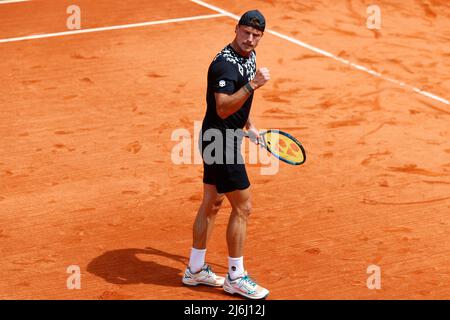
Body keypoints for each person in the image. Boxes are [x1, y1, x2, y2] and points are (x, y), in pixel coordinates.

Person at [182, 10, 270, 300]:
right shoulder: (224, 66)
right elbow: (222, 107)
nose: (250, 39)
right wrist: (253, 84)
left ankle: (195, 269)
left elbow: (241, 104)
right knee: (243, 207)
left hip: (217, 138)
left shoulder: (250, 57)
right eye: (245, 32)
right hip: (220, 143)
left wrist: (250, 126)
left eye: (256, 35)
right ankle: (236, 277)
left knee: (212, 202)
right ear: (236, 29)